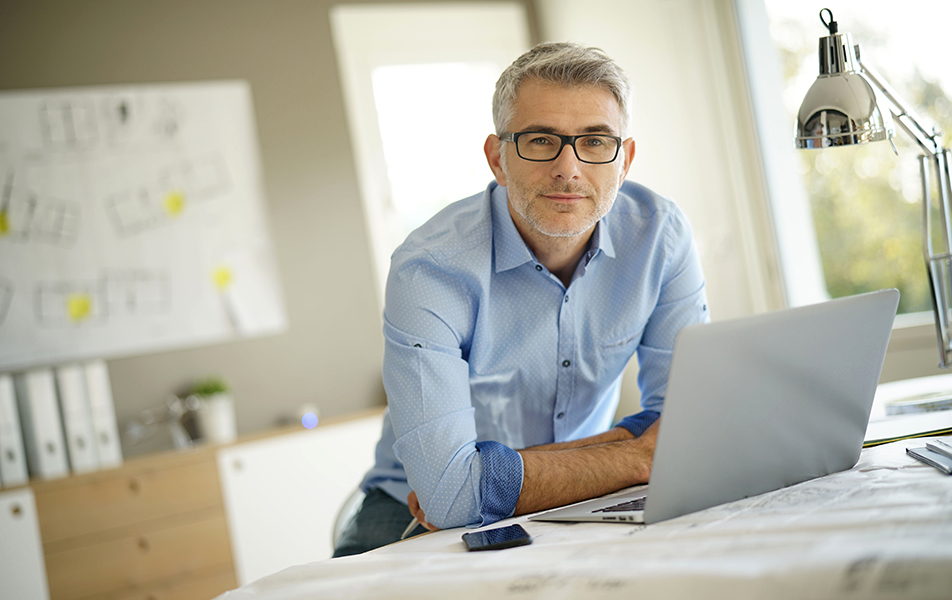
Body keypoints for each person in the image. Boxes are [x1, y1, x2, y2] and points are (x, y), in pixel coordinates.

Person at [333, 41, 709, 557]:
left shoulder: (661, 236)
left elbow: (689, 424)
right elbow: (446, 498)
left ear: (624, 161)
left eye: (596, 142)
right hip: (406, 516)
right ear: (498, 158)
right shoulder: (430, 269)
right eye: (540, 140)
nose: (569, 168)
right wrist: (637, 456)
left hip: (581, 499)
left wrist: (490, 477)